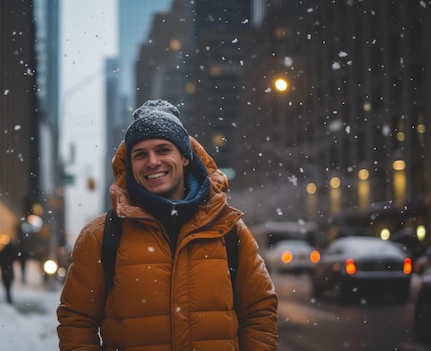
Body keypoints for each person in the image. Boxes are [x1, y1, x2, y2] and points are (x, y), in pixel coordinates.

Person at [57, 99, 278, 350]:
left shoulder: (229, 229)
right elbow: (76, 321)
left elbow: (259, 313)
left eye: (163, 150)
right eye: (140, 154)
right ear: (130, 166)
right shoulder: (101, 236)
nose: (152, 162)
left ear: (184, 157)